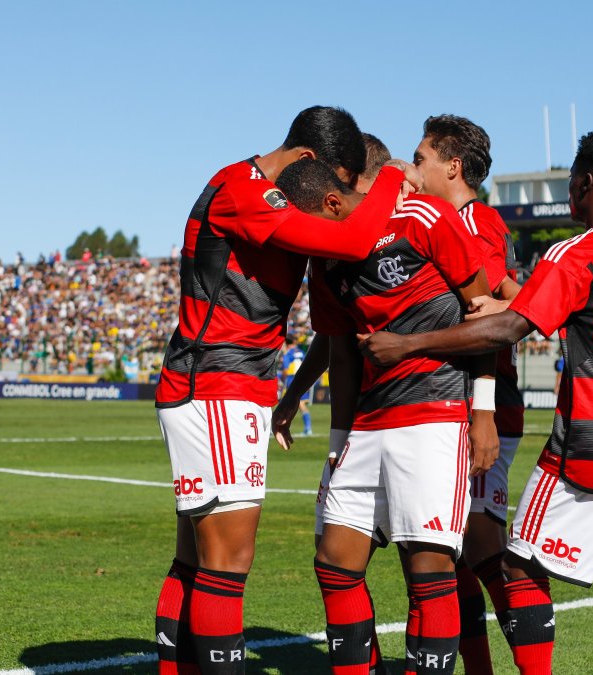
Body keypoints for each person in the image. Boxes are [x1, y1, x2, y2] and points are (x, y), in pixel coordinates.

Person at [359, 127, 593, 674]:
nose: (569, 186)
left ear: (586, 181)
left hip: (591, 445)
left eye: (571, 176)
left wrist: (408, 342)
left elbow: (507, 331)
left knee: (516, 568)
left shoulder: (577, 253)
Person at [151, 106, 422, 675]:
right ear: (306, 160)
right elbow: (352, 241)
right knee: (229, 559)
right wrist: (397, 175)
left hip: (222, 383)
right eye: (333, 186)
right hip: (219, 384)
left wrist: (293, 392)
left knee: (195, 557)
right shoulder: (244, 189)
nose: (331, 200)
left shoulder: (258, 190)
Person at [276, 157, 499, 675]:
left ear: (333, 203)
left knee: (428, 569)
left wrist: (482, 411)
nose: (306, 236)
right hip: (368, 424)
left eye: (310, 222)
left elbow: (482, 311)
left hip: (434, 414)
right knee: (333, 562)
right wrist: (338, 440)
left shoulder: (422, 218)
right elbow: (341, 353)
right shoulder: (323, 261)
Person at [411, 114, 523, 674]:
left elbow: (491, 307)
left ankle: (535, 662)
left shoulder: (477, 222)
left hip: (486, 407)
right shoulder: (434, 220)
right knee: (453, 558)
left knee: (482, 550)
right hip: (447, 405)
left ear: (452, 167)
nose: (414, 170)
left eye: (422, 158)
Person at [279, 336, 312, 437]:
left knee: (287, 403)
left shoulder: (288, 353)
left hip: (292, 379)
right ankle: (307, 428)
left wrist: (282, 379)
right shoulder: (300, 351)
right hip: (302, 378)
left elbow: (285, 369)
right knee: (299, 403)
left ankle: (281, 426)